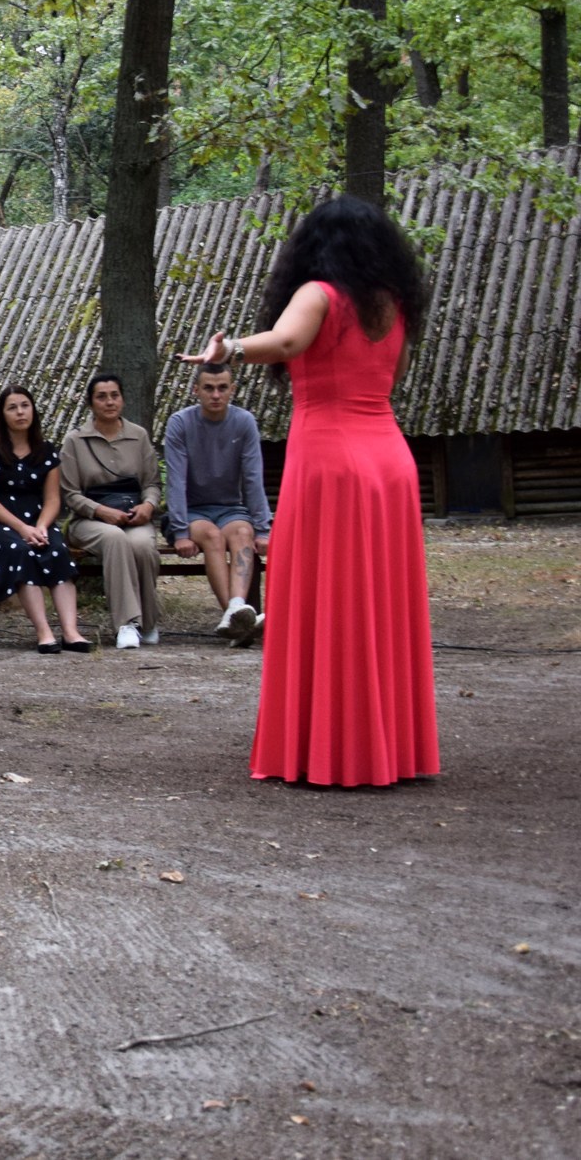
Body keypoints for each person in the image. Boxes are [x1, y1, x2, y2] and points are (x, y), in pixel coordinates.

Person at [178, 195, 438, 787]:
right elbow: (387, 382)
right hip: (389, 462)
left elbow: (290, 343)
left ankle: (329, 748)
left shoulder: (320, 293)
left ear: (316, 246)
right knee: (377, 604)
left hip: (331, 462)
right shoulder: (391, 308)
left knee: (326, 599)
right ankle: (383, 746)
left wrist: (231, 351)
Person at [0, 385, 88, 652]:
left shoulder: (46, 451)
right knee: (20, 550)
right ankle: (44, 632)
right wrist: (22, 528)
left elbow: (53, 499)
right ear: (2, 414)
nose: (20, 412)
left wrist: (42, 526)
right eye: (12, 407)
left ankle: (71, 631)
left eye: (25, 405)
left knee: (56, 550)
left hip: (37, 519)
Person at [163, 364, 272, 643]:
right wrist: (179, 531)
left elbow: (252, 478)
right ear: (196, 390)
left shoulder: (244, 421)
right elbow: (175, 480)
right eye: (209, 388)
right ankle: (236, 616)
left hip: (230, 508)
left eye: (222, 388)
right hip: (191, 511)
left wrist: (262, 529)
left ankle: (235, 612)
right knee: (212, 536)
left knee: (243, 534)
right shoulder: (180, 422)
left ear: (232, 390)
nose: (215, 394)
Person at [59, 373, 165, 649]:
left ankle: (149, 622)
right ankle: (127, 624)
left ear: (123, 399)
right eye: (101, 397)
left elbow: (152, 483)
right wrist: (100, 511)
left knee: (142, 544)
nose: (109, 402)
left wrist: (148, 505)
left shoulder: (138, 436)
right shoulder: (75, 441)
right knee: (114, 539)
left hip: (133, 515)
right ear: (91, 403)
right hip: (88, 520)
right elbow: (70, 494)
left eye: (114, 395)